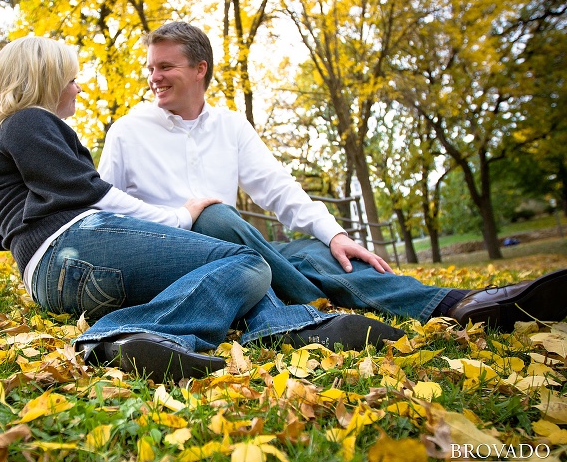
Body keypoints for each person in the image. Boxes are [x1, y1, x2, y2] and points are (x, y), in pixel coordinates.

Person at [0, 35, 404, 382]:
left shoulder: (16, 138)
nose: (78, 86)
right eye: (71, 78)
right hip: (74, 251)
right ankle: (131, 334)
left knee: (222, 261)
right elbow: (95, 194)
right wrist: (181, 216)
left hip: (58, 277)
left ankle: (278, 323)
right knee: (245, 260)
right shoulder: (33, 122)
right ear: (45, 82)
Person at [97, 21, 567, 333]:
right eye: (150, 67)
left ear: (200, 69)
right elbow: (102, 211)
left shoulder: (231, 126)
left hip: (246, 256)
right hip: (178, 258)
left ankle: (456, 304)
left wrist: (335, 233)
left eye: (165, 66)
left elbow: (278, 188)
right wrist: (176, 218)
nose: (153, 77)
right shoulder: (127, 131)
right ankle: (315, 304)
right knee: (215, 217)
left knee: (317, 252)